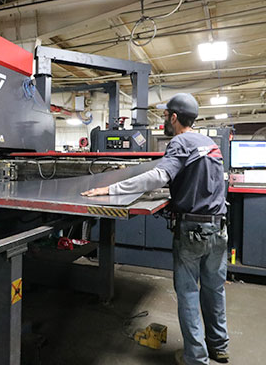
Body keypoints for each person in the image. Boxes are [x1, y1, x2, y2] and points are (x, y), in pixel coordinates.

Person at [81, 93, 229, 365]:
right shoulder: (209, 143)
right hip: (219, 228)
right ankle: (218, 346)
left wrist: (110, 189)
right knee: (214, 289)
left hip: (192, 232)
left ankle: (196, 358)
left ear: (174, 117)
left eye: (165, 116)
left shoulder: (180, 141)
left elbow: (159, 176)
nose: (164, 121)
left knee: (188, 293)